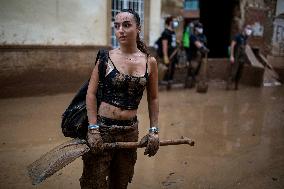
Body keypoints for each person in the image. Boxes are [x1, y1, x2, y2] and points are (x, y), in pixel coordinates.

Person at [82, 9, 159, 189]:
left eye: (126, 25)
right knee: (94, 183)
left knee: (120, 183)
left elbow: (153, 99)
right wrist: (93, 129)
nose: (120, 30)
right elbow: (90, 94)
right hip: (103, 131)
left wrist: (154, 130)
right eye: (117, 26)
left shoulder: (150, 62)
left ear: (138, 28)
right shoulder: (105, 58)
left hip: (130, 132)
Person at [226, 25, 252, 90]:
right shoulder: (237, 36)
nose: (249, 31)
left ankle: (236, 86)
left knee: (240, 73)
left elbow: (244, 48)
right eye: (248, 29)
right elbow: (232, 45)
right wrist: (232, 56)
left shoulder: (246, 37)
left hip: (242, 57)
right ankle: (228, 86)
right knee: (233, 72)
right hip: (236, 57)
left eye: (250, 29)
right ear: (244, 29)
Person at [185, 21, 209, 88]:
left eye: (201, 28)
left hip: (200, 57)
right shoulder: (192, 36)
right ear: (195, 28)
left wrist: (204, 48)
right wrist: (202, 47)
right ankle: (188, 86)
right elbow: (197, 44)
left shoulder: (203, 36)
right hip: (193, 57)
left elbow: (204, 43)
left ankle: (193, 85)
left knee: (196, 72)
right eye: (199, 28)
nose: (201, 29)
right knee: (191, 71)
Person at [160, 16, 178, 84]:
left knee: (173, 66)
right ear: (170, 22)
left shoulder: (173, 31)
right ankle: (165, 81)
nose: (175, 23)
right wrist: (165, 56)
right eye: (173, 21)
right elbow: (164, 44)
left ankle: (170, 80)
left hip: (174, 52)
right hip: (169, 53)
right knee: (167, 67)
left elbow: (172, 41)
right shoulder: (165, 32)